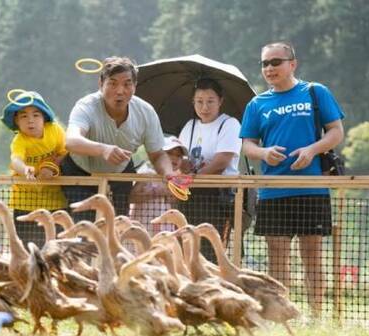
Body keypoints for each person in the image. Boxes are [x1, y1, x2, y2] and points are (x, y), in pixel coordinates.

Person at [240, 41, 345, 319]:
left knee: (312, 255)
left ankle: (316, 316)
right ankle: (281, 314)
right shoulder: (256, 104)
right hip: (273, 191)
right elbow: (248, 145)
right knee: (277, 257)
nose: (270, 68)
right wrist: (264, 152)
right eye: (265, 63)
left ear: (292, 64)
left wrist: (312, 150)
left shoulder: (315, 92)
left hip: (312, 189)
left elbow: (336, 132)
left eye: (276, 62)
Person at [62, 56, 177, 220]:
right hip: (80, 173)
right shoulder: (86, 105)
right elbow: (71, 141)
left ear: (135, 86)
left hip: (120, 175)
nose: (120, 91)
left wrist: (168, 174)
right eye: (113, 83)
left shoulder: (146, 112)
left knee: (117, 228)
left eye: (127, 84)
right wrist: (103, 149)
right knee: (84, 230)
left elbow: (157, 154)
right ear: (101, 84)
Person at [177, 78, 242, 261]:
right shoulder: (189, 126)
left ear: (220, 101)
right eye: (199, 101)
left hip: (218, 197)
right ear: (193, 102)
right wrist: (183, 164)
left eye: (210, 101)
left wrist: (193, 177)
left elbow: (221, 162)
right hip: (189, 196)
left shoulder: (229, 124)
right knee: (187, 247)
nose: (204, 107)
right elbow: (180, 155)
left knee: (212, 251)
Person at [2, 90, 67, 247]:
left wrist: (51, 167)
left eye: (36, 115)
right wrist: (25, 169)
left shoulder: (55, 130)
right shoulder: (19, 140)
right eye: (24, 116)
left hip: (55, 202)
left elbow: (66, 152)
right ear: (16, 121)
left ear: (44, 117)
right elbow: (15, 159)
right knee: (28, 252)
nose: (30, 121)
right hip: (25, 204)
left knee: (55, 250)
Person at [129, 136, 186, 235]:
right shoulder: (146, 172)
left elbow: (174, 200)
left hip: (165, 229)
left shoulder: (177, 179)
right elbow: (132, 197)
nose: (175, 158)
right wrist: (156, 191)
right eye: (170, 153)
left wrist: (168, 191)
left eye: (179, 156)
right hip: (143, 226)